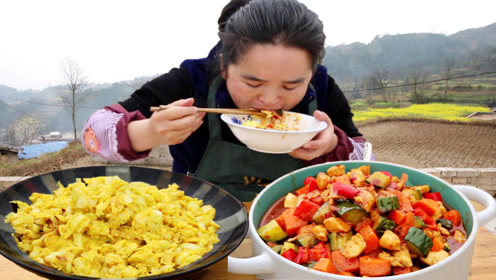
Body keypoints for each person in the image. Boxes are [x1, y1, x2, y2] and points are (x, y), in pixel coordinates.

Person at [81, 0, 374, 201]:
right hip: (197, 221)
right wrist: (148, 132)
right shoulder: (191, 80)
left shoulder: (322, 86)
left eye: (291, 85)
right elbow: (93, 135)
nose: (270, 100)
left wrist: (335, 144)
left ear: (310, 74)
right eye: (252, 83)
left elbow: (367, 162)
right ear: (223, 66)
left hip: (299, 226)